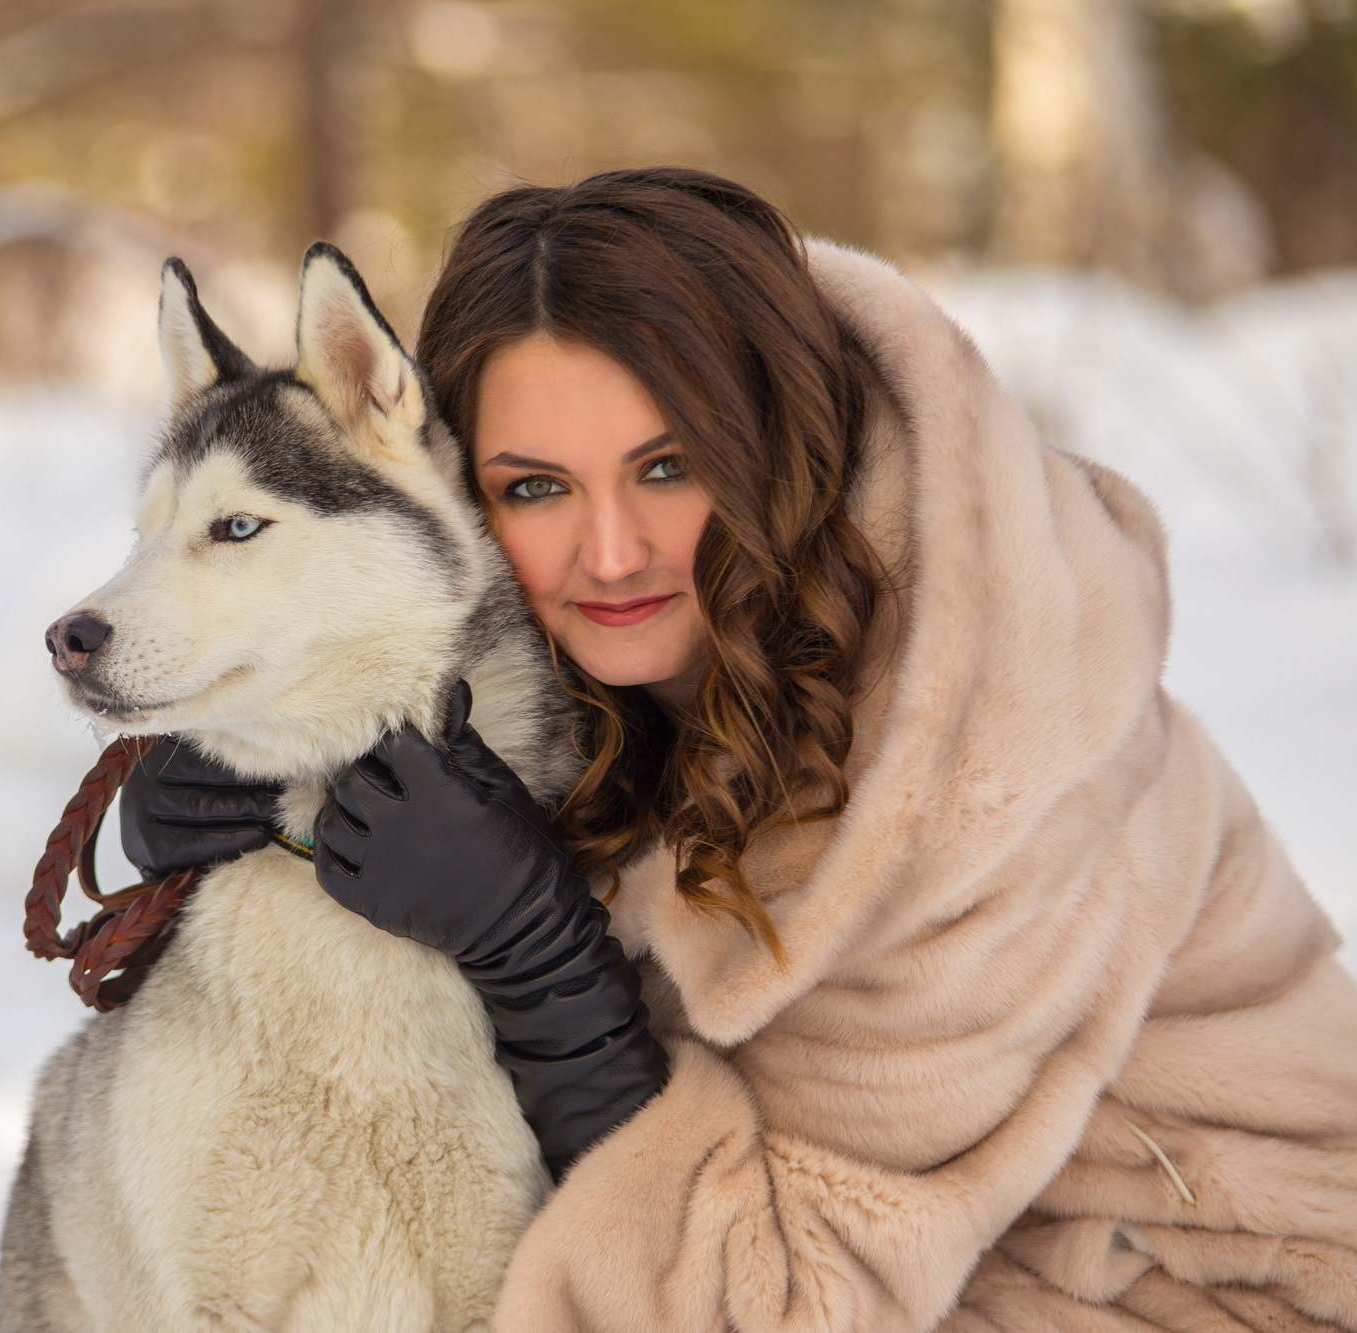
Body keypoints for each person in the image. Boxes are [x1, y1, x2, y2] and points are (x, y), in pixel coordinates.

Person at [118, 168, 1357, 1331]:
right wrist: (275, 770)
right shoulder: (630, 643)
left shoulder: (974, 768)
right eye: (534, 487)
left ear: (776, 443)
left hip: (1184, 1290)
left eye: (667, 467)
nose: (609, 555)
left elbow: (771, 1304)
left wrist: (545, 969)